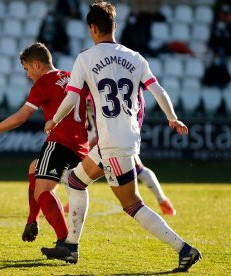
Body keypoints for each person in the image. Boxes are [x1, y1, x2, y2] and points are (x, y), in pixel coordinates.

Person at [42, 2, 201, 273]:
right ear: (114, 26)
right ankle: (70, 246)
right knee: (76, 181)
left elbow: (71, 97)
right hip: (118, 140)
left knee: (131, 204)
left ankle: (185, 250)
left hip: (113, 145)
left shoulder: (85, 58)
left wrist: (54, 119)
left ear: (92, 28)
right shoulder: (135, 57)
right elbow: (158, 90)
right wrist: (171, 117)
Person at [0, 42, 90, 245]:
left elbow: (21, 116)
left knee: (43, 192)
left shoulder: (44, 83)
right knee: (35, 167)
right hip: (81, 146)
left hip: (60, 142)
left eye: (27, 69)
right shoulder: (72, 76)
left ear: (36, 64)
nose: (27, 75)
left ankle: (65, 242)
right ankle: (32, 220)